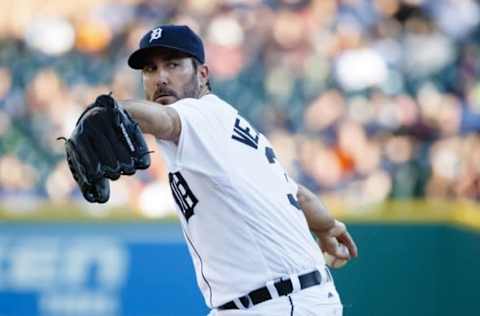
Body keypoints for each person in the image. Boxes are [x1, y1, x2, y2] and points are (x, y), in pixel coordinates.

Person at [121, 24, 358, 316]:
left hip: (278, 304)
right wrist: (327, 227)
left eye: (173, 64)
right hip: (283, 301)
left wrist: (109, 110)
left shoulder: (200, 114)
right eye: (150, 69)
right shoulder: (226, 126)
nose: (161, 78)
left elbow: (166, 121)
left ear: (202, 74)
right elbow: (295, 192)